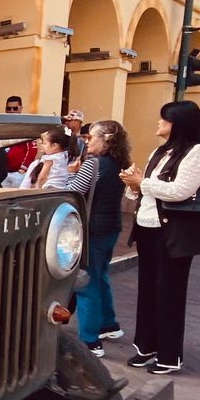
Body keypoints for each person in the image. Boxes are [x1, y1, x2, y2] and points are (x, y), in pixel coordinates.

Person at [119, 100, 200, 374]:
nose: (159, 123)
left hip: (173, 231)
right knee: (148, 290)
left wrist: (143, 182)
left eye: (164, 119)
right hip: (148, 226)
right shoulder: (160, 151)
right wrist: (133, 185)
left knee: (169, 292)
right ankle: (146, 347)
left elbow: (180, 191)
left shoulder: (197, 151)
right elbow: (147, 189)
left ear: (178, 123)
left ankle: (169, 355)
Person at [68, 120, 130, 354]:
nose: (87, 141)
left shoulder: (92, 164)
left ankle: (90, 341)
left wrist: (68, 174)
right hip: (111, 227)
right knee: (101, 276)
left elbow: (73, 192)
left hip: (92, 229)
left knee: (86, 283)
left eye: (91, 137)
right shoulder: (118, 163)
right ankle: (109, 324)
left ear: (107, 139)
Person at [3, 95, 37, 186]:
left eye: (15, 108)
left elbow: (32, 149)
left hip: (18, 173)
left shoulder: (27, 127)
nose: (12, 111)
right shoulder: (2, 126)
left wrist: (25, 167)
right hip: (3, 172)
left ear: (21, 108)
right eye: (9, 108)